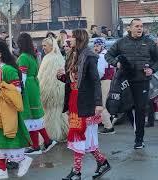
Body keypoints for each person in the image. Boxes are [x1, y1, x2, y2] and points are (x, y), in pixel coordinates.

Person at [57, 29, 111, 180]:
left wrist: (98, 103)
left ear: (79, 38)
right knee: (83, 137)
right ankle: (102, 162)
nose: (69, 40)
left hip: (86, 102)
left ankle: (77, 171)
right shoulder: (73, 55)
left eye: (72, 37)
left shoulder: (90, 57)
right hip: (74, 100)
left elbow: (95, 81)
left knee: (80, 136)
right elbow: (72, 80)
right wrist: (62, 77)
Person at [0, 41, 32, 179]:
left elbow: (17, 90)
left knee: (8, 137)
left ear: (0, 53)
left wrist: (0, 92)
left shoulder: (9, 70)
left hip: (7, 109)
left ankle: (23, 160)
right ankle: (2, 170)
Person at [105, 18, 158, 149]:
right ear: (130, 28)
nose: (140, 28)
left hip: (142, 81)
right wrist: (116, 63)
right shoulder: (121, 42)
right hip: (125, 81)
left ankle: (139, 139)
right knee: (127, 107)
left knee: (140, 109)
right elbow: (108, 55)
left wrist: (152, 69)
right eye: (137, 26)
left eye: (141, 26)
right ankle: (136, 131)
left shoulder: (149, 42)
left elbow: (157, 60)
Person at [17, 33, 57, 155]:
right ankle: (41, 143)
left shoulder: (23, 57)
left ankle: (40, 144)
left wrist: (19, 90)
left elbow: (22, 76)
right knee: (34, 117)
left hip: (27, 87)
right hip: (33, 85)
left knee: (30, 116)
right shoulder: (32, 56)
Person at [38, 37, 68, 142]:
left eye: (45, 46)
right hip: (60, 91)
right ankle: (64, 133)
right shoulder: (58, 57)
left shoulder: (50, 59)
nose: (43, 48)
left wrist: (42, 92)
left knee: (52, 114)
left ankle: (53, 136)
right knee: (59, 113)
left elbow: (47, 78)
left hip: (52, 92)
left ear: (51, 46)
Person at [93, 38, 116, 135]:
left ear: (102, 46)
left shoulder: (101, 56)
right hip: (109, 80)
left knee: (101, 105)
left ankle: (108, 127)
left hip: (104, 81)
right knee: (103, 104)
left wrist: (95, 81)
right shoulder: (107, 55)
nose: (95, 48)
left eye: (97, 46)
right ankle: (110, 118)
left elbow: (100, 72)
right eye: (94, 46)